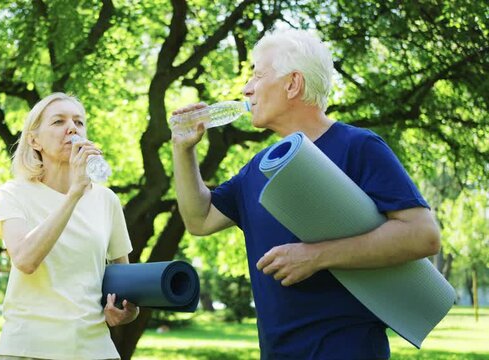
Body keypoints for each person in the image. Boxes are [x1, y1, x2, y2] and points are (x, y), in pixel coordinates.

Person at [171, 29, 441, 359]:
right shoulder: (259, 167)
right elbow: (199, 219)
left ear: (292, 84)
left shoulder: (358, 147)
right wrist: (183, 151)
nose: (247, 88)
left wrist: (316, 256)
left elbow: (423, 235)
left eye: (258, 75)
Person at [0, 92, 138, 360]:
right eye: (58, 122)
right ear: (34, 140)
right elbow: (24, 260)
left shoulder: (106, 200)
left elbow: (122, 278)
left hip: (94, 349)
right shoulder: (13, 193)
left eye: (79, 122)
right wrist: (74, 193)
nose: (72, 128)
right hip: (29, 349)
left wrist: (128, 310)